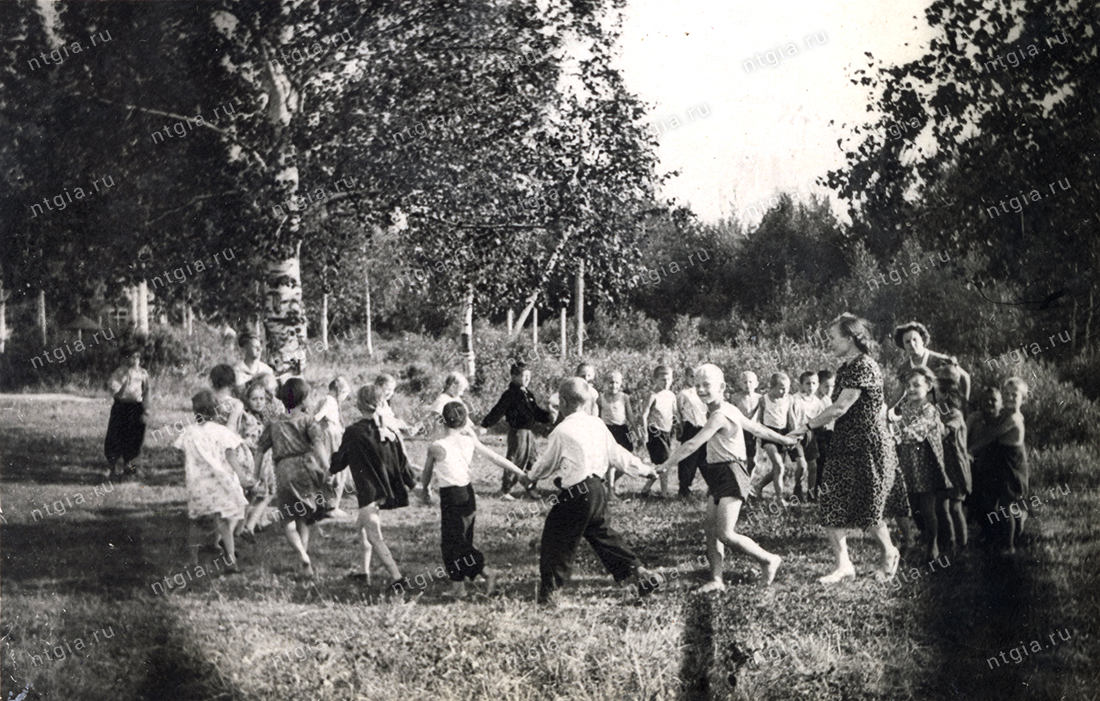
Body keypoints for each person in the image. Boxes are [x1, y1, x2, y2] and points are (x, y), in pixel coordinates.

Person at [527, 378, 663, 607]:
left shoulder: (561, 431)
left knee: (555, 539)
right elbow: (618, 455)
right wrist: (645, 470)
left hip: (577, 492)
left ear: (563, 402)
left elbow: (545, 465)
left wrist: (529, 477)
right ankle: (639, 571)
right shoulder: (598, 425)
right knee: (602, 534)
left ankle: (550, 596)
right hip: (598, 490)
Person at [660, 364, 794, 592]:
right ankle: (717, 579)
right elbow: (758, 429)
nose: (701, 389)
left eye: (706, 385)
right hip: (717, 472)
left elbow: (692, 444)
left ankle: (768, 559)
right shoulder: (727, 408)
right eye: (698, 385)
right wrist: (785, 440)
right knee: (711, 530)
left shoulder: (720, 415)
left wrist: (664, 466)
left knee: (725, 532)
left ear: (721, 387)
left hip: (731, 473)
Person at [789, 314, 901, 584]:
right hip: (844, 445)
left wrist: (807, 426)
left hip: (867, 446)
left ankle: (889, 553)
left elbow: (840, 407)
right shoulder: (847, 367)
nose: (829, 342)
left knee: (869, 506)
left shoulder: (865, 366)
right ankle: (844, 565)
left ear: (850, 339)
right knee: (831, 503)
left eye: (833, 337)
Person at [419, 402, 532, 599]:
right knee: (461, 540)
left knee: (454, 543)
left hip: (451, 497)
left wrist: (426, 490)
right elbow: (496, 458)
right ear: (464, 422)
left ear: (442, 420)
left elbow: (426, 474)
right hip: (467, 495)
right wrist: (520, 473)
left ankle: (486, 573)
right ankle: (458, 586)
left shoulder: (437, 447)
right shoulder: (469, 441)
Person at [332, 385, 418, 590]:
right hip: (385, 487)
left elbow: (340, 461)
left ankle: (397, 578)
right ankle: (364, 572)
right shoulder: (391, 432)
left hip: (368, 489)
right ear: (381, 403)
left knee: (373, 535)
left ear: (358, 404)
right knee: (361, 527)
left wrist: (326, 467)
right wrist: (414, 486)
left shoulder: (353, 432)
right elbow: (402, 463)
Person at [254, 378, 333, 577]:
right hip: (304, 469)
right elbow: (318, 445)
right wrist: (327, 467)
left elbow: (260, 450)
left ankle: (301, 556)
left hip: (283, 470)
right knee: (303, 517)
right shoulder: (308, 421)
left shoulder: (274, 423)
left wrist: (255, 475)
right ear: (304, 400)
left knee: (288, 520)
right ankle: (304, 556)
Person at [172, 389, 247, 573]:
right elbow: (230, 452)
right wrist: (242, 475)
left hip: (196, 484)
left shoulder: (189, 432)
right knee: (221, 519)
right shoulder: (221, 431)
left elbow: (180, 449)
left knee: (195, 521)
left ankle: (193, 560)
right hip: (217, 484)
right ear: (216, 411)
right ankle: (230, 560)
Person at [888, 366, 951, 560]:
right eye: (908, 386)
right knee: (913, 506)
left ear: (929, 386)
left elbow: (916, 431)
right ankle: (923, 536)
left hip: (926, 464)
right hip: (908, 463)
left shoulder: (930, 410)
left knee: (927, 507)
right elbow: (898, 422)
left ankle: (933, 546)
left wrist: (893, 436)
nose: (911, 389)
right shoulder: (907, 406)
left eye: (916, 385)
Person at [969, 378, 1030, 553]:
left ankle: (1009, 546)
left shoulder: (1013, 418)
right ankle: (1008, 530)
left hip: (1012, 464)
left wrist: (970, 450)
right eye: (1007, 394)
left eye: (1015, 395)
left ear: (1023, 399)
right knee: (999, 501)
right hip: (1003, 462)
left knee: (1005, 506)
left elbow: (992, 435)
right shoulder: (1007, 413)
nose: (1010, 397)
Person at [480, 362, 553, 500]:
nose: (527, 379)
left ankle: (531, 488)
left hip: (529, 433)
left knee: (533, 461)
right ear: (514, 377)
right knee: (515, 460)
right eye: (523, 376)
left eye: (529, 376)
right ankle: (505, 489)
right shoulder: (510, 394)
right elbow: (498, 410)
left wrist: (548, 417)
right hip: (517, 432)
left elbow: (535, 412)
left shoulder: (528, 394)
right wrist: (485, 424)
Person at [937, 370, 971, 552]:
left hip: (956, 467)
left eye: (934, 391)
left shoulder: (955, 414)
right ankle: (950, 543)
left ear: (945, 394)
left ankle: (963, 544)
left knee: (955, 508)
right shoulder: (939, 410)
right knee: (942, 507)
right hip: (942, 467)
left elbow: (945, 431)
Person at [893, 321, 971, 401]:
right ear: (903, 346)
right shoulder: (905, 367)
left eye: (915, 339)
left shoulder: (939, 359)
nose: (912, 344)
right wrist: (887, 409)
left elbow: (965, 377)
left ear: (922, 340)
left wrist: (964, 403)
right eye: (907, 342)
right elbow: (900, 391)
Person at [104, 346, 150, 481]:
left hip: (136, 407)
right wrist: (124, 380)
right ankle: (111, 465)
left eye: (137, 357)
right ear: (127, 358)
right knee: (116, 434)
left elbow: (146, 392)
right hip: (121, 406)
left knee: (135, 436)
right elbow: (113, 389)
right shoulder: (121, 372)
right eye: (132, 357)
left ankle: (129, 464)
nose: (135, 360)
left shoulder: (143, 373)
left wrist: (146, 409)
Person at [239, 378, 277, 536]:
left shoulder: (262, 417)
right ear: (247, 400)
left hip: (263, 461)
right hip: (255, 461)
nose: (258, 402)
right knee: (264, 494)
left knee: (254, 495)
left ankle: (245, 525)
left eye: (261, 399)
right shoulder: (249, 419)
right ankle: (249, 525)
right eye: (254, 399)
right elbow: (249, 440)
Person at [753, 373, 795, 507]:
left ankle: (758, 486)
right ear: (772, 387)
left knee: (777, 469)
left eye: (787, 388)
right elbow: (758, 418)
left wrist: (793, 435)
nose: (785, 391)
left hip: (783, 433)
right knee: (779, 466)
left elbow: (791, 417)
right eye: (781, 388)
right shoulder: (763, 399)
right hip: (768, 434)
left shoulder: (789, 399)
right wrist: (757, 433)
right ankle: (779, 498)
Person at [315, 377, 352, 518]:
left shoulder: (324, 399)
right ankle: (331, 506)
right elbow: (317, 416)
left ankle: (322, 504)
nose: (344, 398)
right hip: (330, 438)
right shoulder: (329, 400)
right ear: (339, 391)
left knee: (325, 468)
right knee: (336, 468)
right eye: (344, 394)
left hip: (327, 436)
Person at [598, 371, 637, 497]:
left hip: (622, 430)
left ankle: (608, 483)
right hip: (608, 430)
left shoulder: (624, 397)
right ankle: (610, 491)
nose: (613, 385)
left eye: (616, 383)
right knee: (611, 462)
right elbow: (597, 417)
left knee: (626, 458)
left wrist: (637, 432)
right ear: (605, 383)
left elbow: (630, 416)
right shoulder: (600, 398)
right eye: (610, 382)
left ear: (620, 384)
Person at [641, 365, 676, 496]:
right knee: (664, 463)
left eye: (668, 379)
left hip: (667, 431)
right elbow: (644, 415)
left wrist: (678, 427)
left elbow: (674, 413)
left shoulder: (671, 395)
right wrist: (644, 433)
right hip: (655, 432)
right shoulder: (652, 395)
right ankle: (664, 493)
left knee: (659, 464)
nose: (666, 383)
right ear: (655, 380)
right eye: (662, 380)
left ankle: (645, 489)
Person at [675, 367, 709, 498]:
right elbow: (677, 412)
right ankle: (684, 489)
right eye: (691, 376)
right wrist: (680, 429)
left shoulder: (703, 392)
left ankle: (712, 487)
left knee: (705, 458)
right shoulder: (683, 394)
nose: (694, 379)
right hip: (690, 428)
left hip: (704, 428)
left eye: (696, 376)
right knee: (688, 459)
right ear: (686, 377)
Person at [788, 371, 820, 502]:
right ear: (801, 385)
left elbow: (818, 419)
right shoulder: (795, 399)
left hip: (810, 435)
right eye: (807, 383)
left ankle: (811, 494)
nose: (811, 386)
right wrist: (795, 435)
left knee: (813, 466)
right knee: (802, 465)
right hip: (796, 434)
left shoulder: (817, 401)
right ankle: (797, 488)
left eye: (814, 383)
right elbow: (792, 419)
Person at [811, 369, 835, 488]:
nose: (829, 389)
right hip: (814, 432)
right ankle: (813, 490)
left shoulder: (827, 399)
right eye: (826, 386)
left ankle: (820, 488)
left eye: (832, 386)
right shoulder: (813, 399)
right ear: (819, 384)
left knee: (825, 461)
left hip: (826, 432)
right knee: (817, 462)